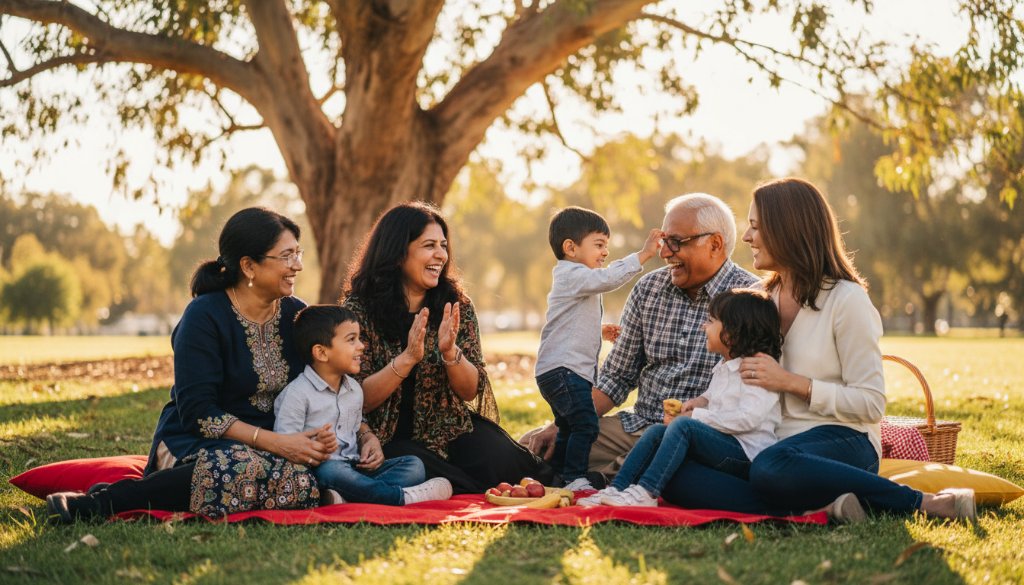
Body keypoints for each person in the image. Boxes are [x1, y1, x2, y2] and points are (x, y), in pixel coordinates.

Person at [659, 177, 975, 522]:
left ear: (787, 230)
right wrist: (701, 409)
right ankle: (819, 509)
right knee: (673, 470)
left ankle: (922, 503)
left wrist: (793, 383)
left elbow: (870, 404)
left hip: (842, 440)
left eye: (755, 227)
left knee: (770, 468)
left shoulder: (846, 300)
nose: (747, 237)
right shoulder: (759, 299)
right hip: (771, 444)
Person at [46, 207, 336, 522]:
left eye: (298, 253)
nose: (298, 265)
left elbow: (323, 381)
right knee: (237, 466)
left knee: (304, 478)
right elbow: (199, 412)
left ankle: (165, 490)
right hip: (195, 443)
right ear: (249, 266)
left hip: (272, 448)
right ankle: (103, 502)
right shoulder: (204, 316)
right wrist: (277, 444)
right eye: (286, 256)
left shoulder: (297, 315)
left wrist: (327, 438)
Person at [523, 194, 758, 478]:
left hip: (700, 435)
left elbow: (749, 395)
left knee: (660, 462)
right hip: (637, 425)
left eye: (675, 242)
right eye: (662, 242)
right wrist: (561, 426)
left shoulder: (751, 299)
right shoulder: (649, 289)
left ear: (715, 244)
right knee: (533, 448)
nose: (665, 253)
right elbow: (616, 377)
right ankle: (605, 474)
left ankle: (609, 477)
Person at [341, 202, 551, 494]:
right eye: (429, 245)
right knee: (424, 468)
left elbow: (469, 391)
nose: (441, 254)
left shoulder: (456, 304)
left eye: (443, 245)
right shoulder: (359, 310)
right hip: (384, 436)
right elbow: (356, 398)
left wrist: (452, 354)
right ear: (398, 251)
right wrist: (406, 360)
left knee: (510, 466)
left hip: (448, 427)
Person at [579, 288, 783, 506]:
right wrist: (698, 402)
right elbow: (712, 396)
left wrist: (697, 416)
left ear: (732, 333)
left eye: (711, 321)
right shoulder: (724, 365)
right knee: (658, 431)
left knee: (684, 426)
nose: (704, 326)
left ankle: (646, 492)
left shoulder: (757, 371)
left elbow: (748, 419)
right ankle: (617, 488)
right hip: (724, 443)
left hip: (745, 454)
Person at [535, 206, 662, 491]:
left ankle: (556, 476)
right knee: (586, 426)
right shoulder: (572, 274)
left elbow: (570, 320)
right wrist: (642, 256)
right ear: (570, 247)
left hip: (559, 372)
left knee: (568, 428)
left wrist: (598, 330)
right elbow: (606, 280)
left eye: (607, 245)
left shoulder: (576, 279)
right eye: (599, 245)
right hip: (564, 372)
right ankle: (575, 478)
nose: (605, 252)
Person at [274, 305, 453, 505]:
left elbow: (356, 427)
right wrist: (315, 447)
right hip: (321, 470)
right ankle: (401, 497)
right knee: (332, 470)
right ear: (322, 352)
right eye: (351, 340)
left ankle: (348, 497)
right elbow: (285, 448)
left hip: (354, 468)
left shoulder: (354, 390)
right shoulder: (297, 394)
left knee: (413, 465)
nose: (361, 346)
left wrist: (367, 444)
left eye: (359, 338)